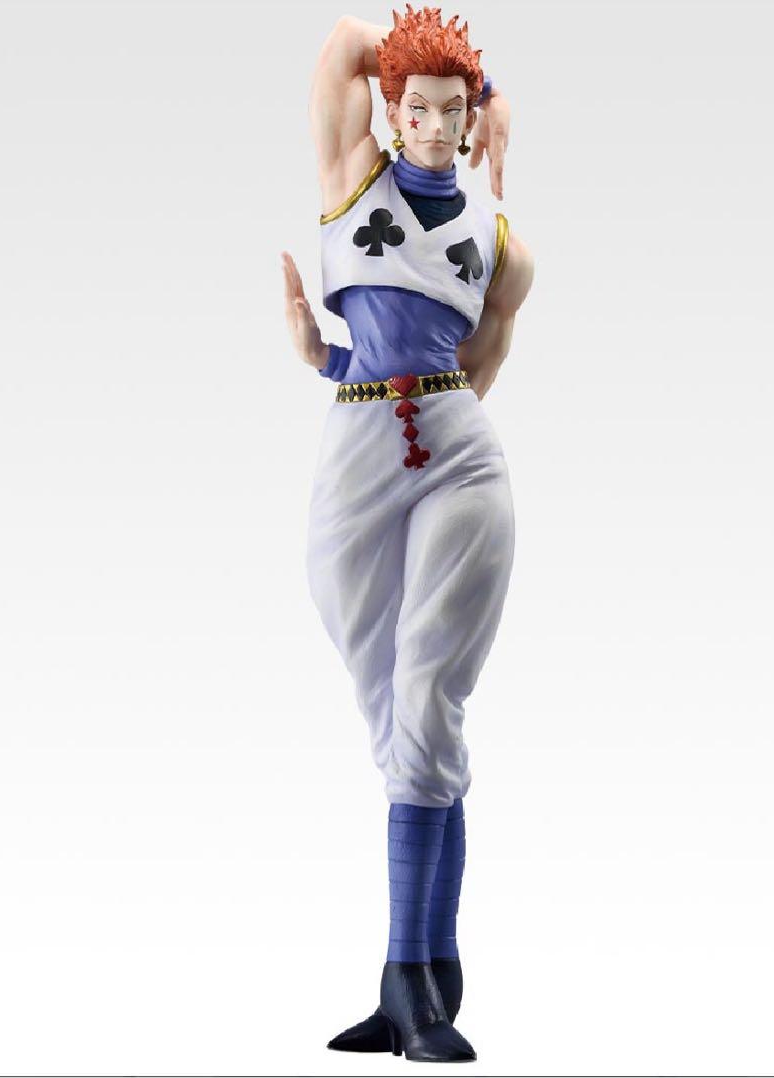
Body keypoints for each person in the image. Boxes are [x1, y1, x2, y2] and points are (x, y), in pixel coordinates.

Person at [280, 4, 534, 1063]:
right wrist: (334, 361)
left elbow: (474, 368)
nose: (434, 128)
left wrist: (489, 102)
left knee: (427, 702)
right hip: (358, 448)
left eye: (454, 111)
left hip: (458, 456)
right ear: (394, 113)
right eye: (418, 109)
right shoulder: (353, 176)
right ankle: (424, 976)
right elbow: (344, 37)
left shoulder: (504, 249)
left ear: (468, 124)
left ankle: (412, 980)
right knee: (390, 708)